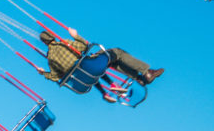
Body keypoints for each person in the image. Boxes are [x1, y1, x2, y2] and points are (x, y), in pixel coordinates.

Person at [36, 28, 164, 101]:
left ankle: (138, 78)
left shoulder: (50, 59)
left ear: (44, 43)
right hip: (93, 66)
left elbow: (55, 76)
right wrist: (75, 36)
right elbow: (84, 46)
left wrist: (43, 73)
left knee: (102, 63)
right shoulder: (64, 43)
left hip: (83, 80)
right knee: (116, 53)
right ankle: (146, 72)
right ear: (52, 36)